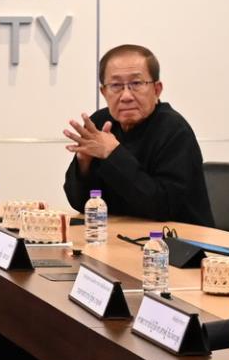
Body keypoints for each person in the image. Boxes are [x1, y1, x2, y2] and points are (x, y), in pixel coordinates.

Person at [63, 44, 210, 225]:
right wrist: (83, 163)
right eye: (116, 85)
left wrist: (113, 153)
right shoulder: (100, 124)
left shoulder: (175, 130)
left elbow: (163, 207)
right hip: (119, 234)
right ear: (104, 92)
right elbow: (81, 203)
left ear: (157, 89)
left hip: (178, 238)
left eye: (136, 84)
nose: (126, 96)